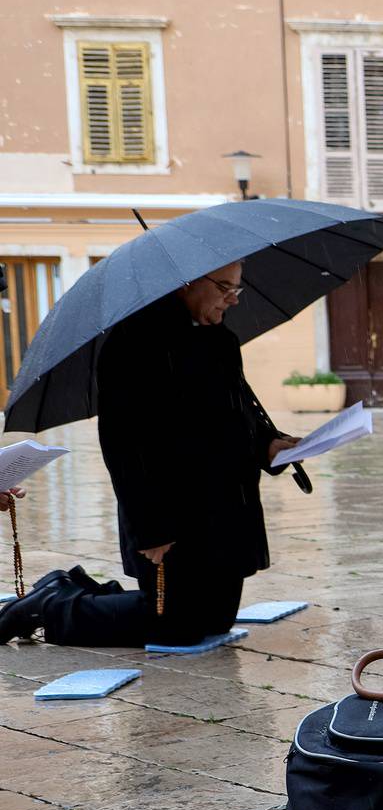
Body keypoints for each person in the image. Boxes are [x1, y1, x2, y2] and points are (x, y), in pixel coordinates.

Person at [0, 262, 301, 646]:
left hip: (228, 508)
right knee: (175, 627)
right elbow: (122, 442)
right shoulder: (135, 342)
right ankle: (52, 605)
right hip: (171, 512)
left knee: (214, 622)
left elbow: (237, 414)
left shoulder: (220, 340)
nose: (232, 299)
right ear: (187, 283)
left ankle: (72, 589)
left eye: (237, 289)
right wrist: (150, 526)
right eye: (224, 286)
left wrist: (268, 445)